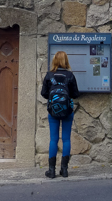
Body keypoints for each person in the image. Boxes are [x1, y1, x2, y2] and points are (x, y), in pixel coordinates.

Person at [41, 51, 80, 179]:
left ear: (54, 61)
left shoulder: (49, 75)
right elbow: (75, 94)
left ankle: (51, 171)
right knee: (66, 139)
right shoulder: (70, 75)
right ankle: (64, 170)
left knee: (53, 139)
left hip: (53, 111)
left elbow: (44, 93)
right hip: (67, 111)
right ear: (66, 61)